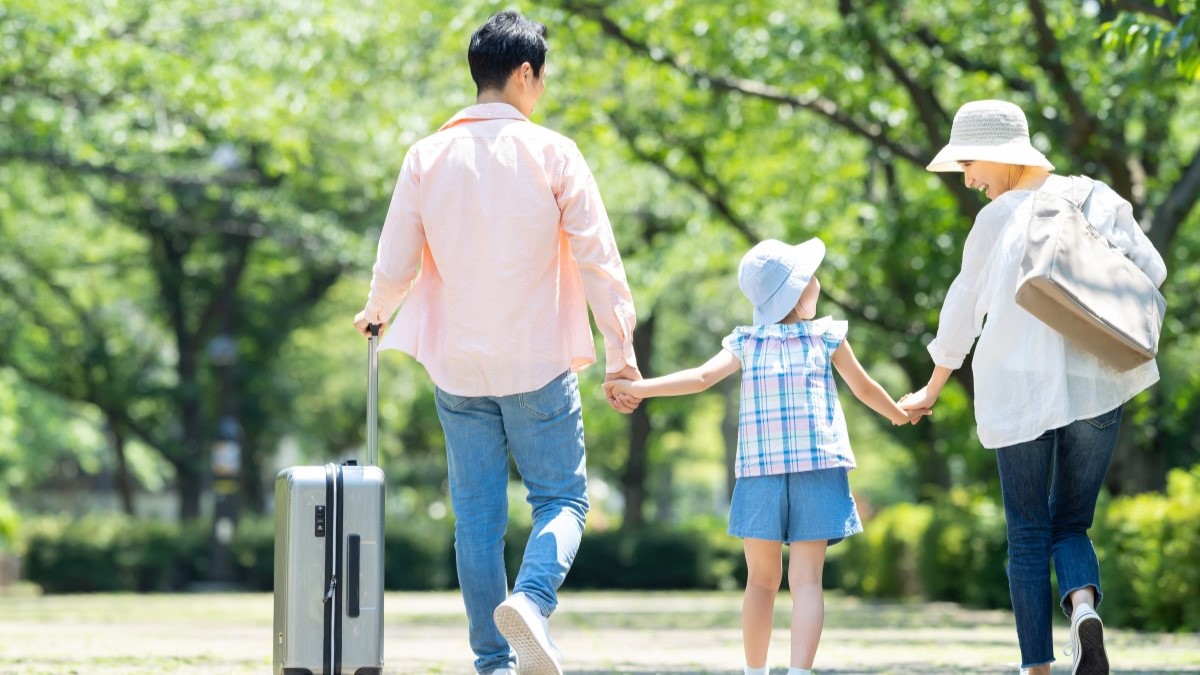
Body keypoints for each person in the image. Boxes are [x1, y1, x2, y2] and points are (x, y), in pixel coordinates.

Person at [353, 10, 642, 675]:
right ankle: (533, 601)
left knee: (476, 523)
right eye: (540, 78)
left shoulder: (427, 154)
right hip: (538, 360)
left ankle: (492, 661)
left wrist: (376, 311)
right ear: (523, 73)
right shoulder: (554, 152)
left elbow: (395, 260)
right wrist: (620, 348)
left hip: (458, 367)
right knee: (563, 500)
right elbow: (599, 257)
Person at [899, 100, 1167, 675]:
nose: (968, 179)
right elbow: (1153, 271)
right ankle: (1084, 610)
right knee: (1071, 522)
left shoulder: (998, 220)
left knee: (1026, 532)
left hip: (1018, 387)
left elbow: (962, 310)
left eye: (970, 163)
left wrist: (931, 386)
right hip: (1098, 380)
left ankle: (1036, 669)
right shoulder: (1098, 197)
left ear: (1003, 156)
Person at [607, 237, 921, 675]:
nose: (817, 282)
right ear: (797, 291)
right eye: (809, 278)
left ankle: (755, 672)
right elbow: (865, 389)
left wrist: (640, 388)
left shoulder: (747, 342)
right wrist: (900, 414)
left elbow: (699, 378)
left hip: (759, 474)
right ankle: (799, 672)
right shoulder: (827, 335)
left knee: (760, 581)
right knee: (808, 580)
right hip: (819, 468)